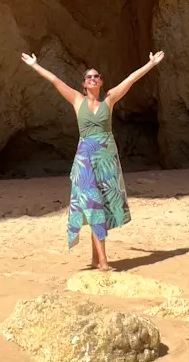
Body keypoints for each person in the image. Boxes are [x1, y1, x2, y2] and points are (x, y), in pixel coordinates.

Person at [20, 50, 165, 271]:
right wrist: (34, 65)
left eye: (96, 76)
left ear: (101, 82)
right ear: (84, 84)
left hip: (107, 163)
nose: (93, 79)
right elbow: (55, 80)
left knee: (100, 207)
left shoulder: (110, 99)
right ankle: (104, 262)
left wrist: (151, 64)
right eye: (89, 77)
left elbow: (131, 80)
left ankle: (95, 259)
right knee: (92, 204)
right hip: (85, 161)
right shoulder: (77, 100)